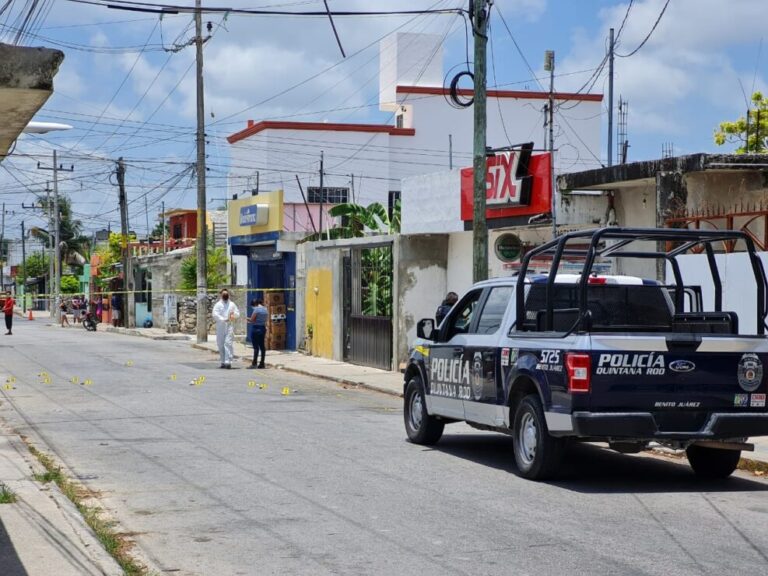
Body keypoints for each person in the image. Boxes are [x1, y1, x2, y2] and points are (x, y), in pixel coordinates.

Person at [212, 289, 240, 369]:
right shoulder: (218, 305)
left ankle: (228, 361)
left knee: (228, 343)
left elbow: (237, 313)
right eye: (224, 294)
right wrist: (223, 319)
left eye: (226, 294)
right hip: (220, 326)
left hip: (229, 326)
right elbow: (215, 314)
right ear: (221, 295)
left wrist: (233, 315)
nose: (225, 295)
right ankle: (223, 361)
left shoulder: (232, 304)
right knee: (220, 344)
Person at [247, 298, 268, 369]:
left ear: (255, 304)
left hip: (256, 329)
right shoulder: (265, 309)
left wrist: (247, 319)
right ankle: (262, 363)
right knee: (262, 346)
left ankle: (254, 363)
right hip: (262, 328)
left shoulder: (256, 310)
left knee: (256, 347)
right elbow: (264, 319)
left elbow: (252, 319)